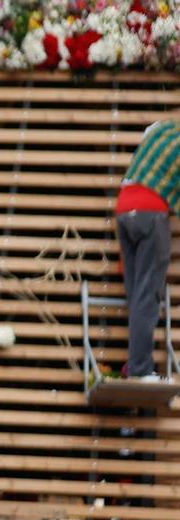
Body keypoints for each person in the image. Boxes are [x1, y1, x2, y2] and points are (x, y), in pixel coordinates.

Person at [116, 119, 180, 382]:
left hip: (124, 211)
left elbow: (147, 134)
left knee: (136, 296)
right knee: (147, 296)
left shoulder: (163, 129)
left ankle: (134, 365)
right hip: (150, 213)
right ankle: (141, 370)